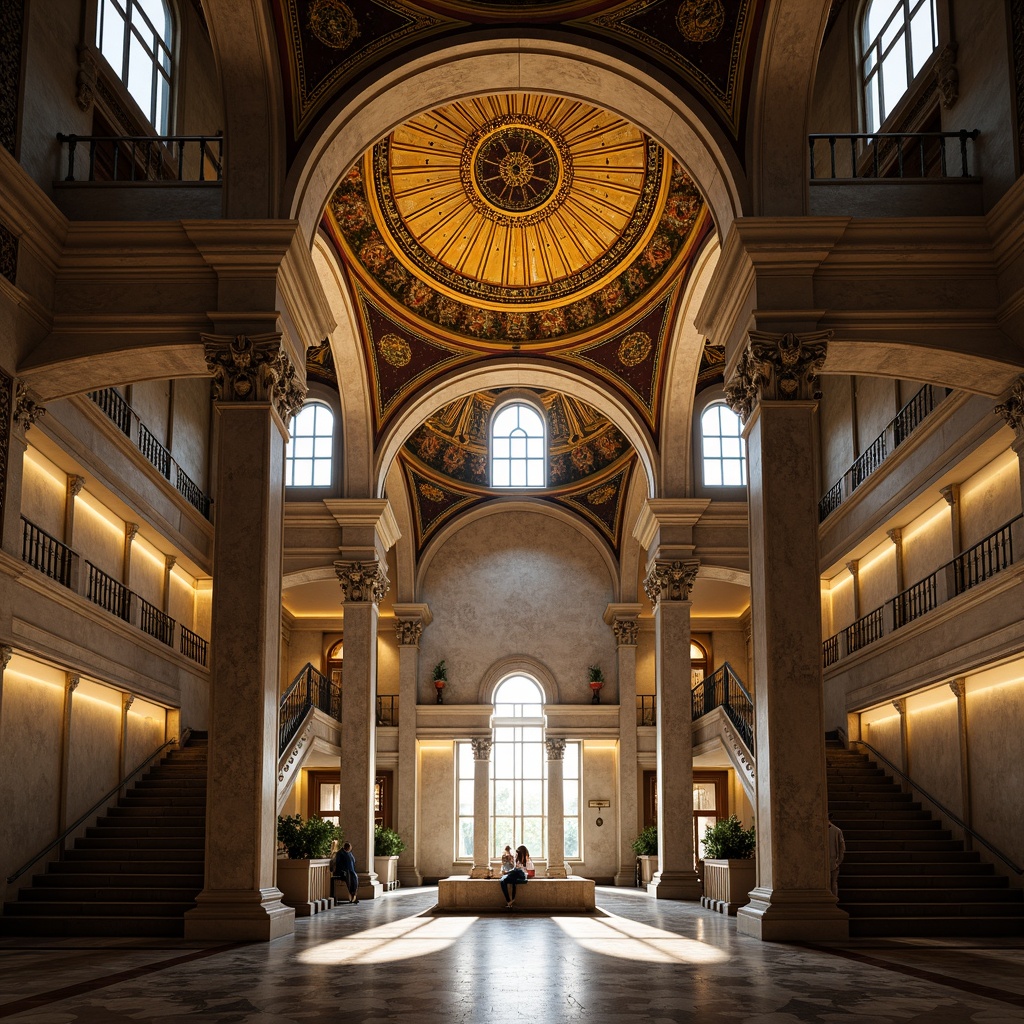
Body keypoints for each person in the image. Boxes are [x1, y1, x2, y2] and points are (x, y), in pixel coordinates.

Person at [827, 813, 846, 898]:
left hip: (833, 861)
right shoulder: (837, 830)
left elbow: (842, 847)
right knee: (833, 882)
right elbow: (842, 847)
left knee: (833, 882)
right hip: (833, 860)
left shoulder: (836, 831)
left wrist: (838, 861)